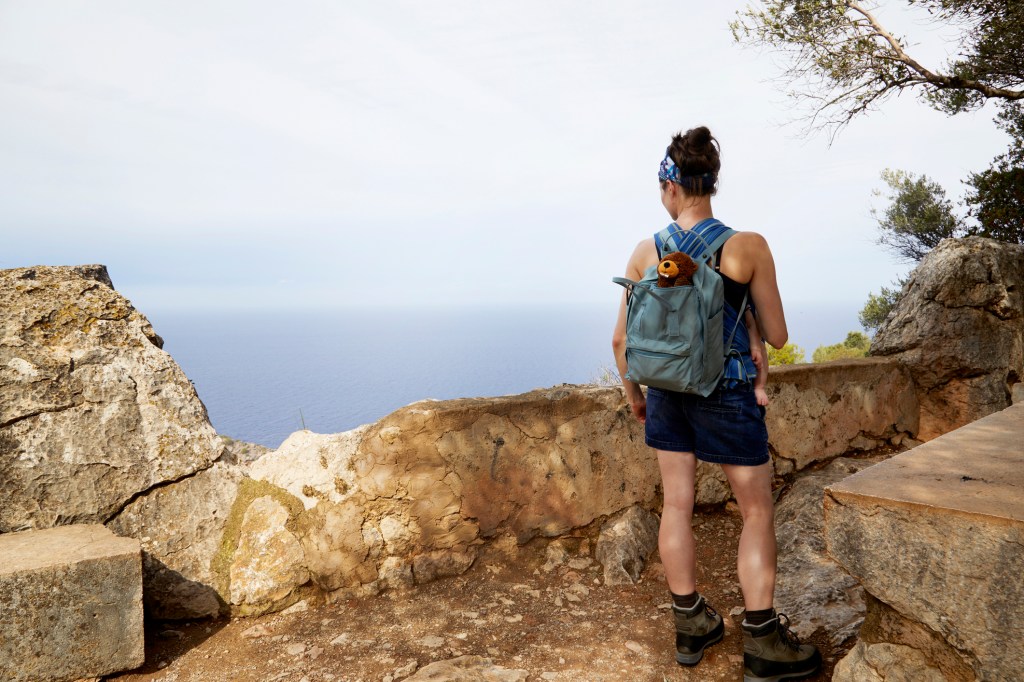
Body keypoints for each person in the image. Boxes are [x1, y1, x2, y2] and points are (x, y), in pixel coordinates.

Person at [611, 126, 820, 681]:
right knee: (756, 510)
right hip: (727, 391)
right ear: (712, 184)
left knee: (676, 505)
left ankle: (690, 624)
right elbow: (776, 335)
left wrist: (636, 396)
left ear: (670, 186)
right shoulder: (746, 246)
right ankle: (762, 643)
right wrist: (746, 314)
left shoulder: (644, 252)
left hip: (666, 396)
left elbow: (620, 342)